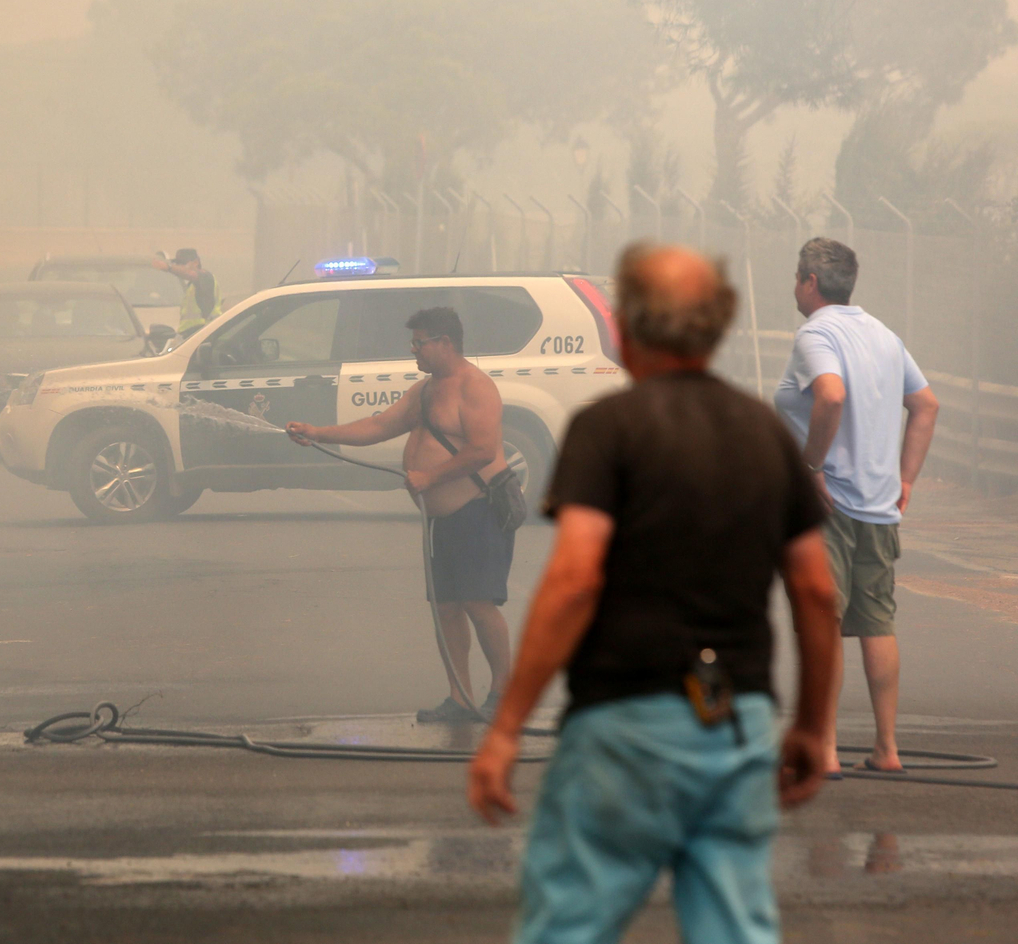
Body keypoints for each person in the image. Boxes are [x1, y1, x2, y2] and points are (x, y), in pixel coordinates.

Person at [468, 244, 840, 944]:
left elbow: (575, 577)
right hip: (734, 722)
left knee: (567, 926)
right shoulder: (766, 434)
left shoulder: (608, 429)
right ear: (719, 323)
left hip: (623, 724)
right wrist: (812, 727)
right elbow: (816, 592)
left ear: (626, 331)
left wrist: (508, 726)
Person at [286, 307, 514, 723]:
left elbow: (482, 450)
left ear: (445, 343)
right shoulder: (426, 390)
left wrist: (431, 476)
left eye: (419, 342)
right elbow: (379, 426)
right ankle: (460, 698)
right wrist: (318, 433)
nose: (414, 350)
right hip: (440, 519)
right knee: (446, 605)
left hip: (477, 510)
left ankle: (503, 694)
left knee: (479, 603)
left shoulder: (476, 387)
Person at [773, 237, 939, 774]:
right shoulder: (883, 335)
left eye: (797, 278)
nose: (795, 288)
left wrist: (811, 466)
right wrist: (905, 478)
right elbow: (925, 404)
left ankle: (823, 748)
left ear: (811, 284)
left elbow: (831, 394)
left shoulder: (816, 332)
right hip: (879, 505)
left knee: (823, 622)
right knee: (877, 623)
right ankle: (886, 748)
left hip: (831, 505)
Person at [153, 248, 222, 338]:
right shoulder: (192, 285)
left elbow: (190, 274)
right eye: (177, 263)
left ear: (196, 262)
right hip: (192, 333)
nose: (179, 266)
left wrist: (169, 268)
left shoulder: (206, 277)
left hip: (202, 331)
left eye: (182, 263)